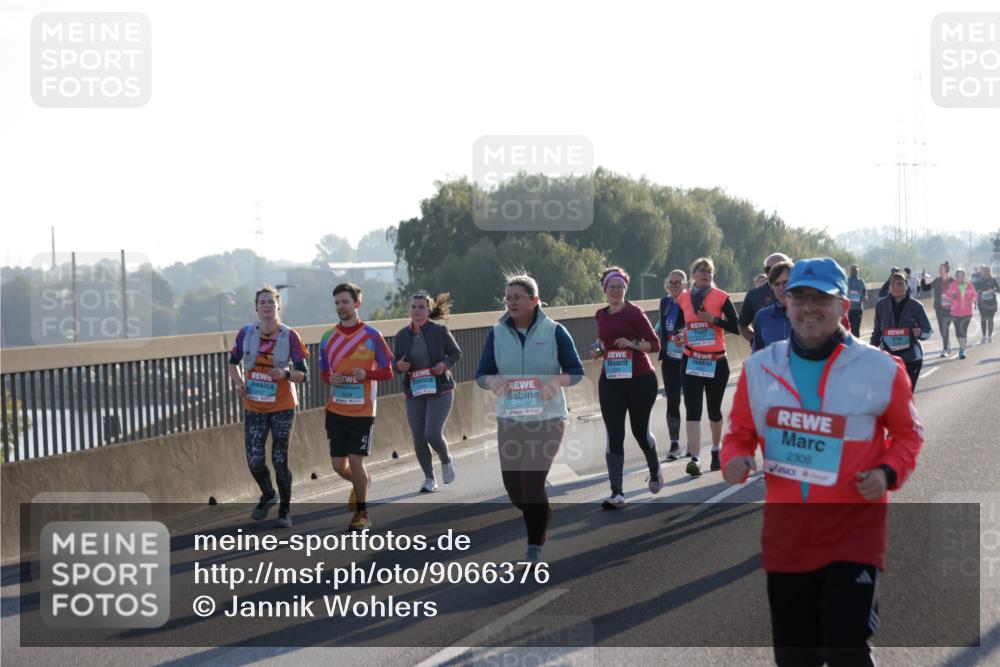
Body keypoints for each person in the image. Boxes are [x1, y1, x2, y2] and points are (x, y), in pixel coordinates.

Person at [722, 257, 923, 667]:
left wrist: (887, 472)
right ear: (786, 301)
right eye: (799, 297)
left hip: (854, 532)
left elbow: (908, 435)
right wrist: (736, 457)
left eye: (821, 298)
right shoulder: (760, 369)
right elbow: (739, 433)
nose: (809, 307)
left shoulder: (881, 367)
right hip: (787, 536)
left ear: (843, 307)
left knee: (844, 647)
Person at [476, 273, 584, 563]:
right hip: (509, 419)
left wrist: (554, 382)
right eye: (508, 298)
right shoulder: (496, 332)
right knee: (516, 492)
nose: (511, 302)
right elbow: (481, 373)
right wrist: (492, 382)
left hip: (547, 419)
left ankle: (534, 547)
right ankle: (542, 512)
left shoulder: (554, 331)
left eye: (518, 297)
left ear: (534, 300)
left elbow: (576, 371)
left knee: (532, 484)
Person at [228, 286, 309, 528]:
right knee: (254, 459)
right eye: (262, 302)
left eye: (271, 303)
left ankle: (285, 509)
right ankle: (268, 493)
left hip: (282, 405)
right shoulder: (245, 333)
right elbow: (233, 363)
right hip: (254, 405)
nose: (266, 306)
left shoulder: (290, 335)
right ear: (256, 307)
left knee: (279, 459)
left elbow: (303, 375)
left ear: (278, 307)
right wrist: (240, 383)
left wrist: (284, 374)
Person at [319, 282, 394, 531]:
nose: (341, 307)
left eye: (345, 302)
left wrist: (368, 374)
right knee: (338, 465)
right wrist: (332, 378)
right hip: (336, 409)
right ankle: (363, 482)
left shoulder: (372, 335)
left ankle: (362, 514)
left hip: (363, 410)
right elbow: (323, 373)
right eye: (337, 303)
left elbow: (388, 372)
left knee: (355, 459)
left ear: (357, 304)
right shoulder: (328, 338)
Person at [592, 267, 663, 509]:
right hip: (611, 381)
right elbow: (603, 341)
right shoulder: (600, 315)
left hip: (640, 380)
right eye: (612, 286)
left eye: (620, 286)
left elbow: (655, 344)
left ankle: (655, 470)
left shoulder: (635, 313)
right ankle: (617, 493)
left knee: (639, 432)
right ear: (605, 289)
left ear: (625, 289)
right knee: (614, 434)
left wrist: (632, 344)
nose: (616, 290)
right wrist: (599, 350)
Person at [676, 257, 741, 475]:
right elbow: (677, 327)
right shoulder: (683, 299)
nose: (705, 274)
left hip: (716, 361)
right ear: (693, 274)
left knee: (714, 410)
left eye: (709, 271)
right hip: (692, 359)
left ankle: (715, 449)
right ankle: (694, 458)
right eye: (701, 271)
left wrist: (714, 319)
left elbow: (737, 327)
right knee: (693, 410)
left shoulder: (721, 297)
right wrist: (677, 337)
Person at [393, 292, 462, 493]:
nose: (416, 310)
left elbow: (456, 353)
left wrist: (444, 364)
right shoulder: (402, 335)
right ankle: (429, 478)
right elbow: (394, 364)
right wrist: (399, 365)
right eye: (413, 306)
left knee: (431, 433)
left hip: (440, 389)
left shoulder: (439, 331)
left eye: (421, 307)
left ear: (429, 310)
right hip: (415, 391)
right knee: (418, 436)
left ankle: (446, 459)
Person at [870, 272, 933, 390]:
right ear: (889, 287)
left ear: (906, 286)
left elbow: (928, 330)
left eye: (899, 284)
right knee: (888, 395)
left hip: (911, 358)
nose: (896, 287)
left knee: (906, 395)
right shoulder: (881, 305)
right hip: (888, 358)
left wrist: (920, 333)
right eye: (892, 284)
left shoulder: (916, 306)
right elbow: (877, 333)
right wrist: (869, 352)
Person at [657, 271, 688, 461]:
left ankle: (693, 444)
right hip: (669, 359)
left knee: (692, 401)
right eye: (671, 282)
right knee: (673, 400)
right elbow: (660, 325)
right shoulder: (665, 303)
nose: (674, 285)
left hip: (689, 357)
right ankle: (674, 443)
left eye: (678, 282)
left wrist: (685, 336)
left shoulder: (691, 301)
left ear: (685, 284)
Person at [738, 252, 791, 343]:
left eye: (779, 268)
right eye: (768, 269)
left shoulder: (803, 293)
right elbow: (742, 326)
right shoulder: (754, 296)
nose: (774, 272)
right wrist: (756, 342)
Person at [752, 261, 794, 352]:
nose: (781, 288)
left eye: (785, 283)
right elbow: (757, 354)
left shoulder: (808, 314)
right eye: (777, 284)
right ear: (771, 286)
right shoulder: (762, 316)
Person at [920, 263, 955, 357]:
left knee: (945, 327)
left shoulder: (953, 281)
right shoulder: (937, 281)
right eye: (939, 268)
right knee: (942, 328)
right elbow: (925, 288)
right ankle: (946, 345)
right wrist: (923, 278)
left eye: (941, 268)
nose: (939, 270)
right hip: (939, 308)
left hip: (950, 309)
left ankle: (945, 347)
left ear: (946, 269)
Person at [943, 268, 978, 359]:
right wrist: (952, 297)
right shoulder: (952, 285)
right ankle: (962, 347)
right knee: (958, 333)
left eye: (962, 275)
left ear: (965, 276)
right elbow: (947, 296)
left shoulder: (969, 285)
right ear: (955, 277)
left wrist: (972, 300)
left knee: (963, 331)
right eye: (958, 276)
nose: (960, 277)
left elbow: (975, 295)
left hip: (967, 312)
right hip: (955, 312)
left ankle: (962, 350)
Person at [975, 266, 998, 343]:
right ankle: (984, 336)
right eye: (984, 271)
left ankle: (990, 336)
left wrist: (994, 289)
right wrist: (979, 293)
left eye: (987, 271)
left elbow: (998, 289)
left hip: (992, 303)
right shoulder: (980, 281)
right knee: (983, 319)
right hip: (982, 303)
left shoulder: (993, 280)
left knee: (990, 320)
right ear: (982, 272)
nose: (985, 272)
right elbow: (975, 290)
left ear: (989, 272)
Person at [847, 264, 867, 338]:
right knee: (847, 329)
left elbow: (865, 291)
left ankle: (856, 345)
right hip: (848, 309)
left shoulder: (861, 281)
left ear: (858, 271)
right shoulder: (846, 281)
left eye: (855, 270)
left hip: (858, 309)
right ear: (850, 271)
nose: (854, 271)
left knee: (855, 329)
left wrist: (865, 296)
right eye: (853, 270)